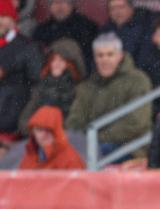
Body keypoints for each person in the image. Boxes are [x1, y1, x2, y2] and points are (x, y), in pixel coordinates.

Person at [65, 32, 151, 159]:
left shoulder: (138, 80)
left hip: (130, 147)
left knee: (87, 154)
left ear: (120, 56)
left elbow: (136, 123)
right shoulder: (87, 86)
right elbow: (74, 121)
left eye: (110, 55)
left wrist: (95, 138)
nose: (104, 60)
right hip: (92, 144)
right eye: (100, 55)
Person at [17, 37, 84, 135]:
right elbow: (24, 119)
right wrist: (36, 131)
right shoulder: (40, 88)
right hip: (38, 139)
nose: (56, 64)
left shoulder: (80, 90)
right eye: (53, 60)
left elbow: (76, 120)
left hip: (67, 140)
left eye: (62, 60)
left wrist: (52, 132)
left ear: (71, 64)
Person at [0, 1, 43, 136]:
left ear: (13, 19)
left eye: (3, 16)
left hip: (12, 124)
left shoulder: (27, 47)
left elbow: (37, 84)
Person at [31, 0, 98, 74]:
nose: (59, 6)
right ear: (50, 6)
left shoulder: (87, 27)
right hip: (49, 79)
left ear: (71, 4)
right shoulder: (41, 31)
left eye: (63, 1)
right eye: (55, 2)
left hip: (80, 78)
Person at [19, 104, 84, 168]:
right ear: (33, 131)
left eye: (49, 130)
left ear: (57, 132)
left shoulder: (70, 159)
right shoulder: (29, 157)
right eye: (39, 129)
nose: (44, 134)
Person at [99, 0, 154, 65]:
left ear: (131, 8)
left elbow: (143, 57)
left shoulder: (144, 27)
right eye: (113, 8)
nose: (117, 12)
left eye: (121, 7)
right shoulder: (105, 31)